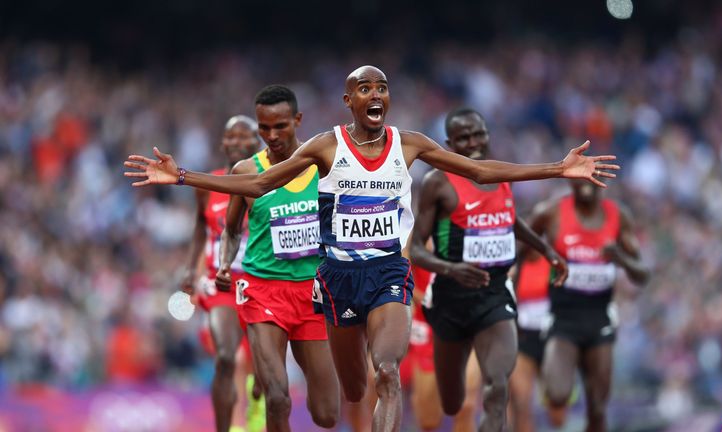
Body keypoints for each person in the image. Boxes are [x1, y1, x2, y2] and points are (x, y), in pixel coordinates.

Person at [123, 65, 619, 432]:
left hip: (388, 272)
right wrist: (182, 176)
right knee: (349, 392)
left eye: (382, 88)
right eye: (365, 89)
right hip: (337, 278)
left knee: (387, 373)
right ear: (349, 101)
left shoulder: (409, 143)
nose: (376, 94)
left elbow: (481, 170)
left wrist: (556, 169)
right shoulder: (325, 146)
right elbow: (259, 184)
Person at [409, 107, 568, 431]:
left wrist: (545, 249)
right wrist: (451, 270)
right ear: (449, 143)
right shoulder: (437, 183)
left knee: (497, 388)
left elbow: (509, 219)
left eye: (478, 134)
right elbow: (414, 250)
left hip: (494, 297)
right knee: (451, 402)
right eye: (463, 138)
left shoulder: (501, 174)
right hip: (451, 301)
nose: (473, 142)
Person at [215, 85, 339, 431]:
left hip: (312, 293)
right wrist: (226, 263)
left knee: (327, 414)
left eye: (280, 126)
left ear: (297, 120)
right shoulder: (244, 172)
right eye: (264, 128)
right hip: (262, 290)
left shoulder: (323, 167)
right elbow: (231, 230)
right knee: (278, 398)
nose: (271, 135)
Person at [532, 179, 649, 432]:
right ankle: (568, 369)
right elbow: (522, 244)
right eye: (580, 180)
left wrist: (620, 258)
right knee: (557, 395)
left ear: (603, 183)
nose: (586, 186)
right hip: (563, 317)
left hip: (599, 319)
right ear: (570, 182)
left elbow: (642, 274)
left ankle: (583, 372)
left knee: (597, 407)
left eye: (592, 180)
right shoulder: (551, 212)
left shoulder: (618, 216)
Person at [179, 115, 263, 432]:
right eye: (232, 137)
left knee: (261, 365)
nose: (238, 143)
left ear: (259, 143)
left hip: (261, 282)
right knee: (228, 358)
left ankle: (258, 399)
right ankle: (229, 427)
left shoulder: (271, 182)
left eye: (246, 137)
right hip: (222, 283)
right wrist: (190, 270)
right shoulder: (209, 185)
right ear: (222, 143)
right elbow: (201, 229)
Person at [408, 262, 481, 432]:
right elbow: (399, 270)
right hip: (427, 325)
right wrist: (423, 299)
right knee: (429, 421)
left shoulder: (470, 234)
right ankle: (418, 400)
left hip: (463, 322)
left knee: (466, 405)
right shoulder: (414, 237)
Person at [507, 250, 568, 432]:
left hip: (552, 342)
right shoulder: (515, 264)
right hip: (523, 341)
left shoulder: (554, 263)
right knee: (522, 403)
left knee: (558, 415)